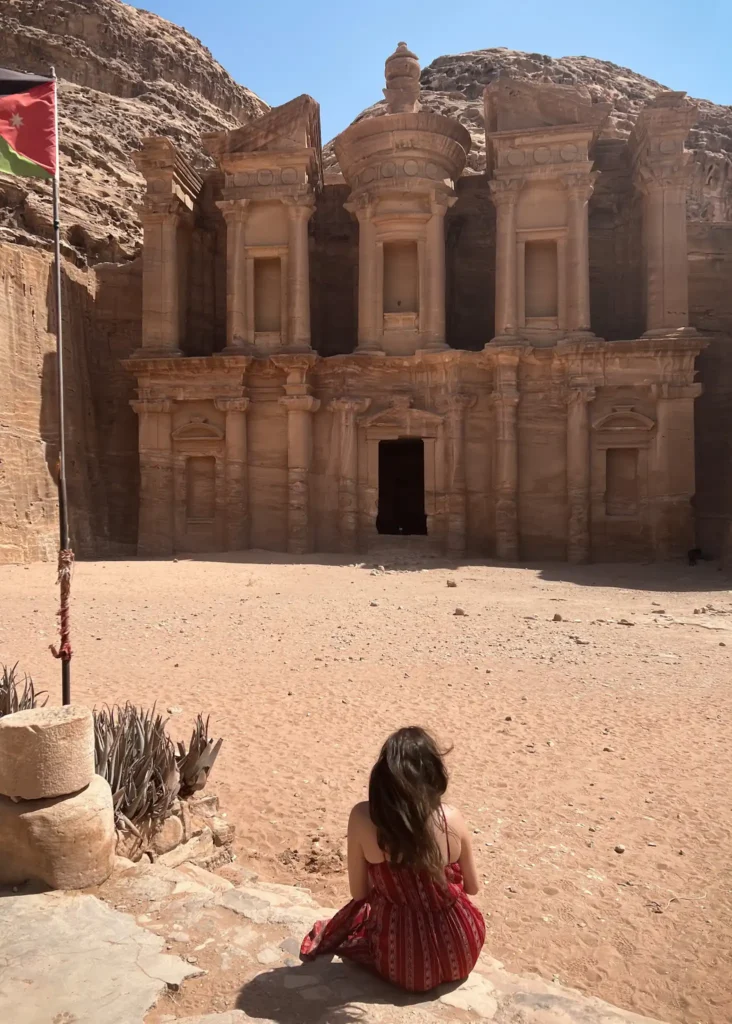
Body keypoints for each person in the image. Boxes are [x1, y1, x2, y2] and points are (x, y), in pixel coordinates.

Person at [300, 727, 486, 993]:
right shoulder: (451, 817)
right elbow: (473, 887)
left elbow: (359, 893)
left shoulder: (363, 817)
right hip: (462, 951)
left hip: (404, 964)